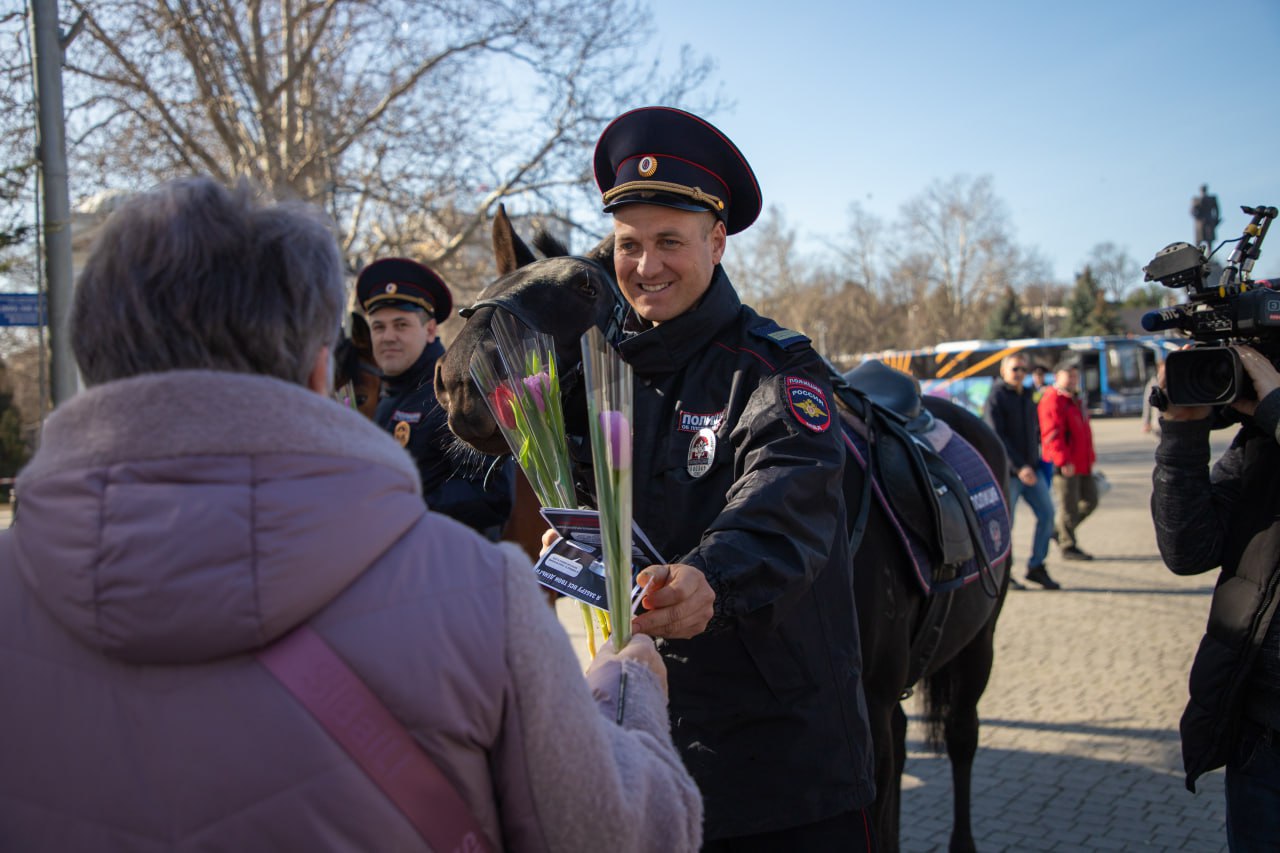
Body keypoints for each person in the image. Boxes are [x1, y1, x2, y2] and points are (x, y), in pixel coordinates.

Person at [0, 177, 703, 851]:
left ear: (90, 354)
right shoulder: (484, 600)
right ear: (317, 374)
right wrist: (631, 691)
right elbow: (620, 833)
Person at [589, 106, 875, 849]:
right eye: (629, 244)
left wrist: (709, 575)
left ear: (717, 241)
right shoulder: (601, 377)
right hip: (645, 751)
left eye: (669, 243)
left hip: (779, 776)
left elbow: (787, 501)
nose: (645, 266)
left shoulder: (778, 371)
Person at [1151, 343, 1280, 849]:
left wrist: (1274, 411)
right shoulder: (1264, 445)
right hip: (1263, 741)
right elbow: (1188, 549)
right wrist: (1182, 430)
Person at [357, 258, 514, 540]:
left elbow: (492, 496)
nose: (387, 337)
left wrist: (404, 509)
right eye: (378, 327)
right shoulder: (389, 397)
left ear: (430, 330)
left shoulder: (457, 392)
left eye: (401, 325)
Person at [984, 353, 1059, 590]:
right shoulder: (996, 397)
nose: (1020, 374)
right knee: (1007, 525)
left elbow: (1036, 430)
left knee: (1047, 514)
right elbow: (997, 437)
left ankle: (1036, 567)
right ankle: (1003, 573)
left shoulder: (1028, 395)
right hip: (1011, 474)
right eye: (1015, 369)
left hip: (1033, 470)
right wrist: (1019, 466)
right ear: (1004, 371)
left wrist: (1039, 458)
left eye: (1023, 370)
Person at [1038, 361, 1097, 561]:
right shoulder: (1053, 399)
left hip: (1083, 461)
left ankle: (1060, 531)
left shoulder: (1075, 398)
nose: (1073, 380)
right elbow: (1051, 435)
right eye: (1069, 375)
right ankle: (1068, 545)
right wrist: (1063, 461)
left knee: (1090, 501)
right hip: (1066, 464)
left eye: (1075, 376)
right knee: (1068, 507)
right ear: (1057, 377)